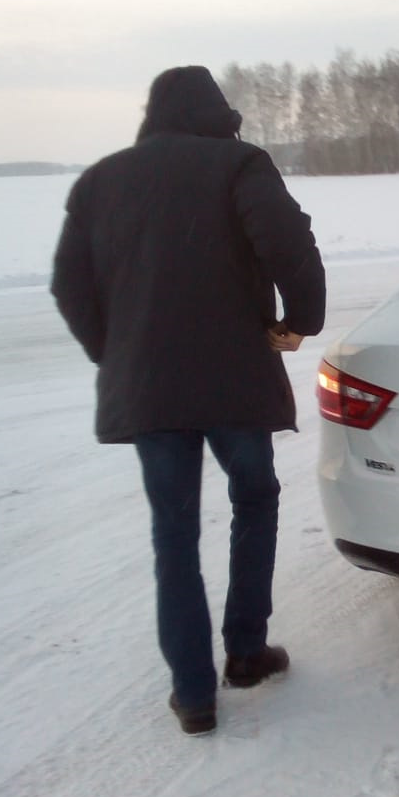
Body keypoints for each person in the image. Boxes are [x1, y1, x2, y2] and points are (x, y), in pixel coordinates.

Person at [51, 66, 326, 735]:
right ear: (216, 112)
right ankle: (247, 650)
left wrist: (114, 353)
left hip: (151, 390)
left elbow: (69, 287)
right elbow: (288, 245)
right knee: (254, 499)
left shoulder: (100, 181)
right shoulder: (239, 164)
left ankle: (194, 694)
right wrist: (301, 322)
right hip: (236, 379)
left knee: (172, 535)